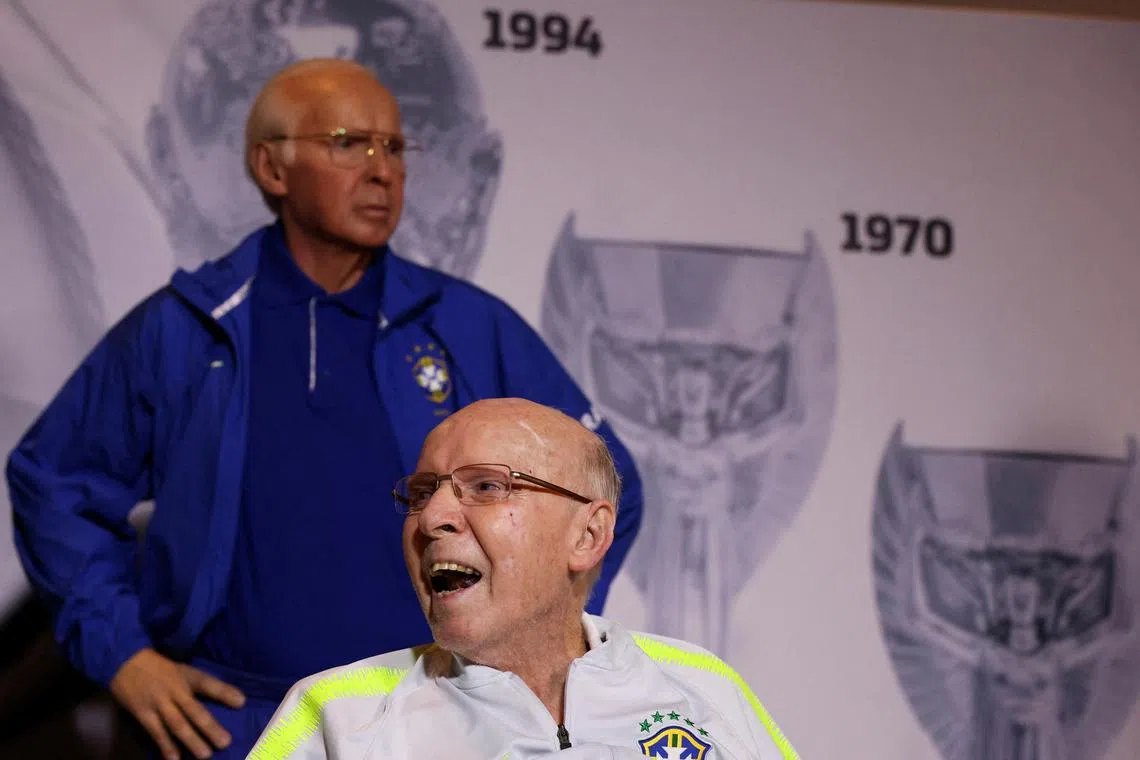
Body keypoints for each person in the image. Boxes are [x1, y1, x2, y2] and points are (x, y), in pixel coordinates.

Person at [6, 59, 642, 760]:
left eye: (395, 148)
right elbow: (53, 483)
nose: (382, 170)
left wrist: (536, 637)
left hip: (433, 724)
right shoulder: (187, 328)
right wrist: (125, 656)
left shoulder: (468, 327)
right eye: (348, 143)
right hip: (229, 726)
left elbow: (603, 487)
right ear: (272, 169)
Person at [249, 398, 797, 760]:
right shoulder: (339, 715)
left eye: (486, 487)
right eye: (422, 493)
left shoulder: (702, 685)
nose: (433, 517)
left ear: (587, 535)